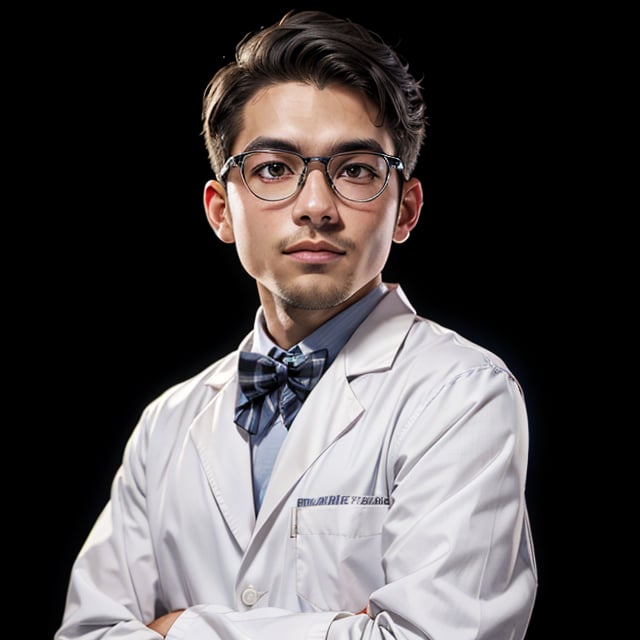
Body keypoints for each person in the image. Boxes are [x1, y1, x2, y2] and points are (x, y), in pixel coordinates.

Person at [55, 9, 537, 640]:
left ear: (405, 210)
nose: (316, 207)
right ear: (220, 211)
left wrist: (178, 630)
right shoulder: (165, 425)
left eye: (357, 170)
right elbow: (87, 634)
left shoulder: (463, 395)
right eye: (274, 169)